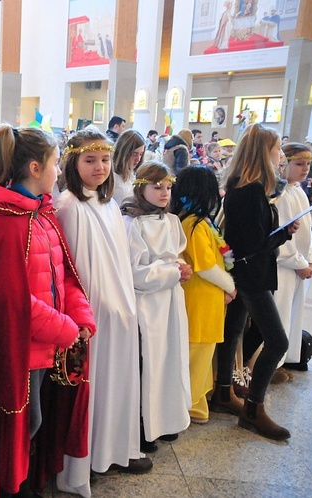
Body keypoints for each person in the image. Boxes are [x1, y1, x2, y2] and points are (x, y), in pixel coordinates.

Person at [0, 125, 95, 497]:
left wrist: (81, 318)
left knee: (36, 421)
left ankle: (26, 484)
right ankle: (12, 489)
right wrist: (66, 329)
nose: (58, 171)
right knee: (24, 422)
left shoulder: (39, 214)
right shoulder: (4, 222)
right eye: (55, 163)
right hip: (22, 347)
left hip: (45, 344)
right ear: (35, 168)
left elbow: (64, 274)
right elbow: (12, 301)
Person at [56, 129, 151, 498]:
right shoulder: (70, 205)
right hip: (94, 310)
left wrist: (124, 300)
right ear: (72, 163)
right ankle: (86, 459)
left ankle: (114, 449)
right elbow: (74, 267)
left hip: (120, 307)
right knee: (94, 386)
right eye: (89, 160)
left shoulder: (110, 204)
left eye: (105, 160)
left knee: (118, 380)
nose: (99, 167)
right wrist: (99, 307)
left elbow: (120, 261)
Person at [214, 123, 299, 441]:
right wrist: (281, 234)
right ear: (264, 152)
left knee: (233, 330)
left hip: (247, 271)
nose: (280, 155)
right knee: (278, 341)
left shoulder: (244, 186)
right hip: (251, 275)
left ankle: (224, 391)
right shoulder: (248, 193)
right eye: (277, 149)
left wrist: (278, 232)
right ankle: (253, 409)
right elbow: (252, 245)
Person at [120, 161, 192, 448]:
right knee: (147, 364)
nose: (164, 193)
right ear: (141, 188)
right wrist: (173, 272)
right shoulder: (133, 223)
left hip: (170, 302)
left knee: (168, 360)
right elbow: (135, 272)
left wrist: (180, 267)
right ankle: (142, 426)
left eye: (168, 187)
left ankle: (164, 419)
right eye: (157, 187)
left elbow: (177, 254)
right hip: (148, 305)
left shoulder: (172, 221)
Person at [170, 166, 237, 425]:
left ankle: (197, 406)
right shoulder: (194, 224)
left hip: (207, 300)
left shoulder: (200, 221)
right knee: (196, 357)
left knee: (202, 355)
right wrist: (230, 287)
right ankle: (188, 408)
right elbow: (206, 266)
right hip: (200, 301)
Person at [271, 144, 312, 368]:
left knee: (292, 314)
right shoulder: (279, 195)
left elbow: (307, 229)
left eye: (308, 164)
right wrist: (298, 263)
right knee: (280, 314)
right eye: (299, 164)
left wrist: (310, 258)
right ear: (283, 164)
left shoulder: (298, 191)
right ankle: (270, 365)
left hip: (299, 264)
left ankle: (284, 360)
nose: (305, 168)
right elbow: (281, 236)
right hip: (284, 267)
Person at [111, 129, 146, 205]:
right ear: (124, 152)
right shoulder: (113, 177)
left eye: (141, 154)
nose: (138, 159)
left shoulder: (134, 174)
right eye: (134, 154)